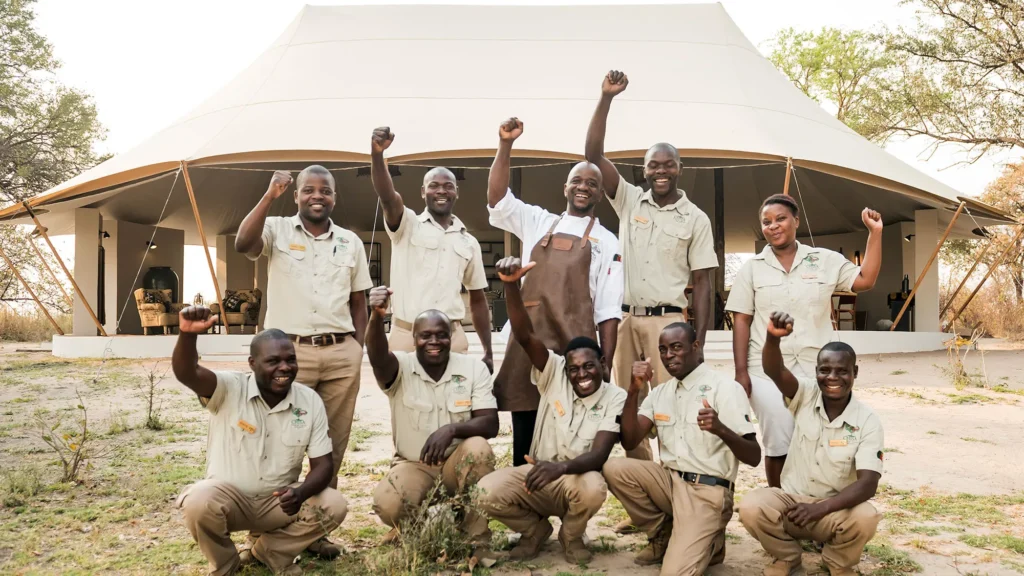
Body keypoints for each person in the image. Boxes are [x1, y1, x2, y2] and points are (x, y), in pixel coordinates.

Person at [585, 70, 718, 465]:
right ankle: (642, 483)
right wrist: (606, 98)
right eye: (653, 165)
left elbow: (703, 282)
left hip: (669, 323)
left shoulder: (695, 218)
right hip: (625, 320)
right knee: (627, 402)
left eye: (668, 164)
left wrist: (700, 341)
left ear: (679, 168)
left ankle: (677, 478)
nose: (661, 171)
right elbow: (593, 155)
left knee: (672, 403)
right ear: (643, 170)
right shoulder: (629, 201)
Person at [488, 117, 624, 467]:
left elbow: (608, 309)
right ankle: (523, 486)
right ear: (565, 188)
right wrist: (505, 145)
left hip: (574, 343)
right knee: (525, 418)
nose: (583, 187)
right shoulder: (538, 221)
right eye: (577, 181)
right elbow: (498, 200)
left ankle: (564, 486)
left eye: (592, 184)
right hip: (528, 337)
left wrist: (606, 362)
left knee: (567, 426)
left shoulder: (607, 241)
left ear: (600, 194)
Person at [171, 306, 348, 576]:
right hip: (230, 502)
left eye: (290, 360)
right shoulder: (229, 388)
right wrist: (187, 334)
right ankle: (225, 564)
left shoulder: (308, 401)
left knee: (333, 504)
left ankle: (269, 552)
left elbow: (323, 465)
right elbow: (188, 373)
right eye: (273, 361)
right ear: (252, 363)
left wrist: (300, 493)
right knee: (198, 500)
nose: (284, 367)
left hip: (278, 503)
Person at [726, 194, 882, 488]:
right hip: (765, 369)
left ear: (796, 221)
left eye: (780, 219)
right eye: (766, 222)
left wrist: (875, 233)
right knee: (779, 438)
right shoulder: (752, 268)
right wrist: (741, 372)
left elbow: (865, 280)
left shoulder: (823, 260)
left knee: (816, 435)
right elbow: (742, 320)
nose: (773, 226)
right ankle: (779, 502)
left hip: (815, 368)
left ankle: (813, 498)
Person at [477, 258, 626, 564]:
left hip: (574, 480)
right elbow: (524, 336)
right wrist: (511, 286)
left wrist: (559, 468)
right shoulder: (554, 371)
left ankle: (571, 536)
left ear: (602, 365)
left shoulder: (615, 397)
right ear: (565, 368)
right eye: (574, 369)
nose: (581, 374)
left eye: (588, 366)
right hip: (536, 476)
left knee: (594, 487)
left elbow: (599, 455)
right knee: (483, 492)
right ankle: (534, 531)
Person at [235, 166, 372, 490]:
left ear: (334, 197)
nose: (317, 196)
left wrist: (357, 348)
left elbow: (359, 301)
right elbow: (243, 244)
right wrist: (269, 196)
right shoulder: (276, 229)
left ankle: (320, 513)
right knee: (281, 433)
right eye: (309, 190)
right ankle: (271, 511)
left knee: (333, 439)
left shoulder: (350, 241)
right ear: (296, 195)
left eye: (325, 191)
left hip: (340, 355)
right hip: (288, 354)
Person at [602, 322, 760, 573]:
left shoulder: (725, 388)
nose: (668, 355)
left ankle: (712, 542)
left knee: (675, 573)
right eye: (663, 350)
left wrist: (721, 429)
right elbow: (630, 441)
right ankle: (663, 532)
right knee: (614, 468)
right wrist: (633, 390)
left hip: (707, 493)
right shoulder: (660, 393)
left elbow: (754, 456)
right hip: (670, 483)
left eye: (676, 347)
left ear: (696, 347)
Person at [739, 312, 883, 576]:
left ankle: (838, 562)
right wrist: (772, 338)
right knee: (752, 505)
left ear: (855, 373)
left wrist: (820, 509)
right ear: (816, 371)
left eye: (842, 371)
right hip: (792, 505)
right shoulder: (805, 394)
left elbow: (868, 483)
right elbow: (774, 370)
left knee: (866, 517)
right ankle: (787, 557)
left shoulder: (867, 420)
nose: (832, 377)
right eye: (825, 370)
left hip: (836, 509)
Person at [365, 285, 499, 554]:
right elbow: (377, 357)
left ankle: (475, 537)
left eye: (441, 335)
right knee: (388, 502)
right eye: (425, 335)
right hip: (414, 465)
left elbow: (490, 424)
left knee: (478, 448)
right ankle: (411, 527)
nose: (434, 341)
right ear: (414, 338)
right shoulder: (400, 367)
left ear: (451, 337)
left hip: (456, 466)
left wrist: (451, 430)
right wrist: (377, 316)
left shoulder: (473, 368)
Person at [369, 127, 494, 370]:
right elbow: (387, 196)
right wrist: (377, 155)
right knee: (405, 394)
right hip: (407, 336)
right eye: (434, 185)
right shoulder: (407, 225)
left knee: (455, 395)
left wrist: (488, 351)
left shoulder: (468, 242)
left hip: (452, 337)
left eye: (448, 186)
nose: (441, 191)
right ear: (423, 192)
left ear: (456, 192)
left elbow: (478, 299)